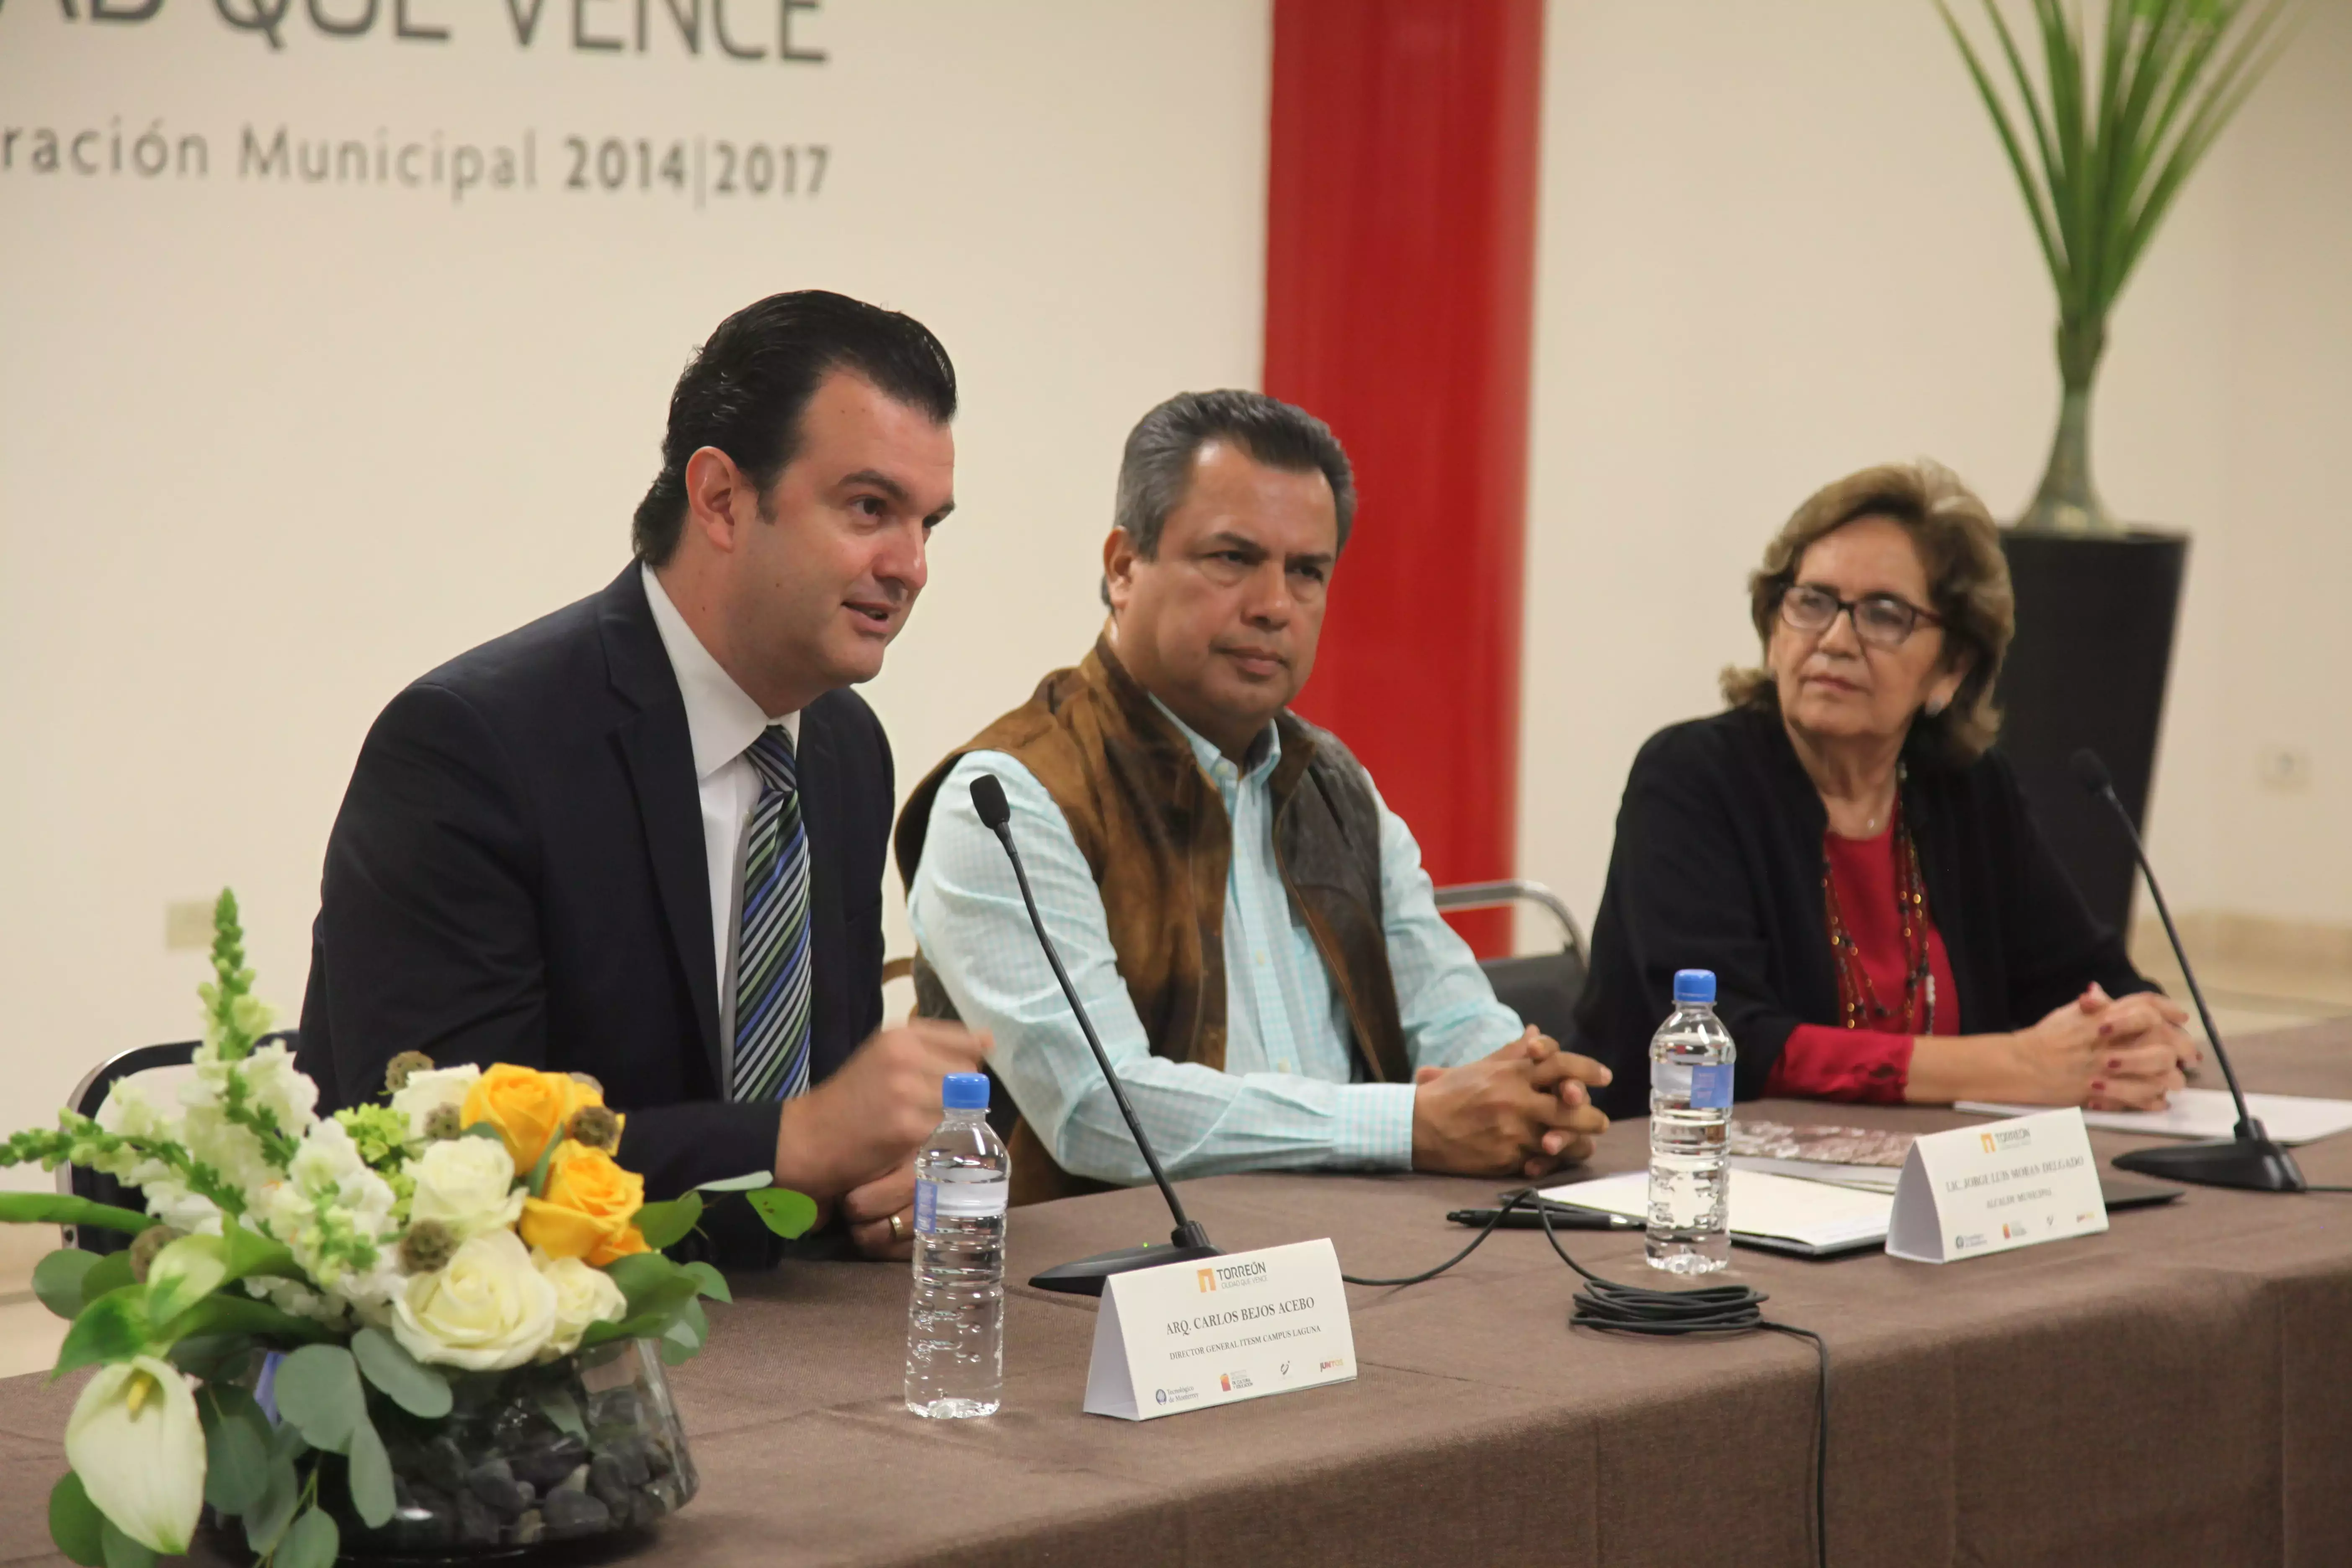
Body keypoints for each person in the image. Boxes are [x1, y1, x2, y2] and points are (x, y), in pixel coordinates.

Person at [297, 290, 987, 1264]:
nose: (911, 565)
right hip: (535, 1352)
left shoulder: (842, 749)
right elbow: (441, 1146)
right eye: (870, 508)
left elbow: (827, 1120)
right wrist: (792, 1145)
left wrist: (879, 1173)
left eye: (930, 524)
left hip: (799, 1349)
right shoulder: (472, 745)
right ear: (721, 499)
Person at [897, 390, 1610, 1205]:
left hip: (1357, 1265)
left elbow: (1451, 1016)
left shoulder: (1335, 785)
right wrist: (1407, 1125)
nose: (1274, 606)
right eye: (1233, 559)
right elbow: (1100, 1109)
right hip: (1100, 1298)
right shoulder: (1010, 795)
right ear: (1124, 567)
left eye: (1306, 572)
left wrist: (1528, 1095)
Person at [1573, 459, 2198, 1120]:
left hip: (1929, 1177)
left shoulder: (1967, 791)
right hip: (1689, 1177)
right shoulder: (1692, 778)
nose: (1837, 640)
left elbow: (2088, 977)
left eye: (1884, 615)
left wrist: (2135, 1037)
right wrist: (2015, 1067)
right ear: (1773, 625)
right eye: (1812, 603)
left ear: (1951, 667)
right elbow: (1730, 1042)